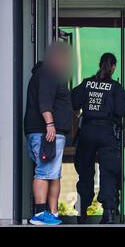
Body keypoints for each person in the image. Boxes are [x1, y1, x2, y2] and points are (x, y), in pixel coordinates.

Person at [71, 53, 125, 224]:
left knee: (85, 172)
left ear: (100, 64)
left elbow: (74, 101)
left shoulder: (87, 83)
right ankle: (109, 213)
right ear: (113, 67)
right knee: (108, 172)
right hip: (107, 132)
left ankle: (81, 211)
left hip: (87, 131)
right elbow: (121, 111)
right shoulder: (116, 87)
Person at [24, 42, 73, 226]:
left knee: (53, 174)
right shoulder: (47, 73)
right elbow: (44, 100)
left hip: (50, 132)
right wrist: (50, 124)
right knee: (44, 172)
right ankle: (40, 213)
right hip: (46, 132)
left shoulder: (50, 74)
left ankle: (52, 214)